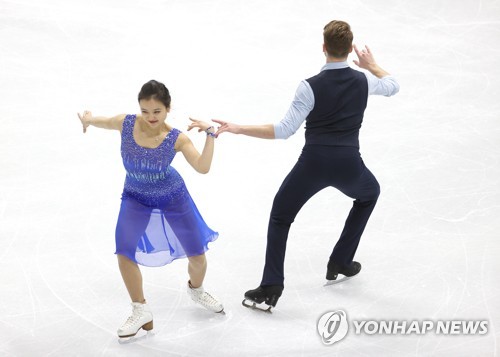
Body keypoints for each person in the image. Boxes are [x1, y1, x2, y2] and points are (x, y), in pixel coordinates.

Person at [213, 20, 400, 311]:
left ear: (323, 48)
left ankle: (272, 284)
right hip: (350, 163)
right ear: (350, 48)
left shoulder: (309, 86)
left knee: (280, 216)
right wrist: (371, 65)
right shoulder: (364, 81)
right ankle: (341, 260)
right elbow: (392, 86)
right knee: (369, 194)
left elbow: (284, 129)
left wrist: (237, 128)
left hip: (312, 164)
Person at [77, 80, 223, 338]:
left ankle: (196, 290)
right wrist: (88, 119)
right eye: (145, 111)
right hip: (135, 196)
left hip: (172, 197)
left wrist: (211, 134)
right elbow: (105, 121)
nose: (150, 117)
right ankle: (140, 309)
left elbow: (202, 166)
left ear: (168, 109)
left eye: (157, 111)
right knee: (124, 251)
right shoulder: (126, 123)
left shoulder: (177, 138)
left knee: (198, 258)